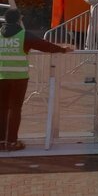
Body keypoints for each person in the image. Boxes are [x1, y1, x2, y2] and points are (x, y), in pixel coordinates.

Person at [0, 9, 72, 151]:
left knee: (1, 109)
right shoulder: (23, 35)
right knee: (15, 109)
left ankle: (1, 141)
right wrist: (63, 49)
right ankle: (12, 142)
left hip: (1, 77)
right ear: (19, 19)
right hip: (18, 78)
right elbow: (44, 45)